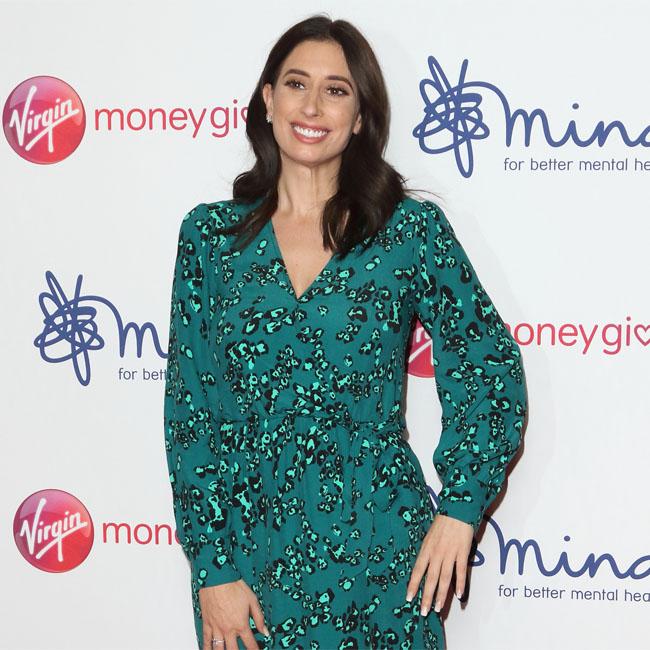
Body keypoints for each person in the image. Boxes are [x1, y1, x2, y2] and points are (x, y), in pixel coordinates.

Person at [163, 14, 528, 650]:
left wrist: (461, 508)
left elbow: (487, 363)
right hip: (249, 563)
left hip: (382, 554)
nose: (312, 106)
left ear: (360, 117)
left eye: (336, 90)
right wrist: (212, 567)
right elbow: (190, 410)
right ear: (267, 99)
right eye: (296, 83)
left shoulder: (407, 232)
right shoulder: (211, 238)